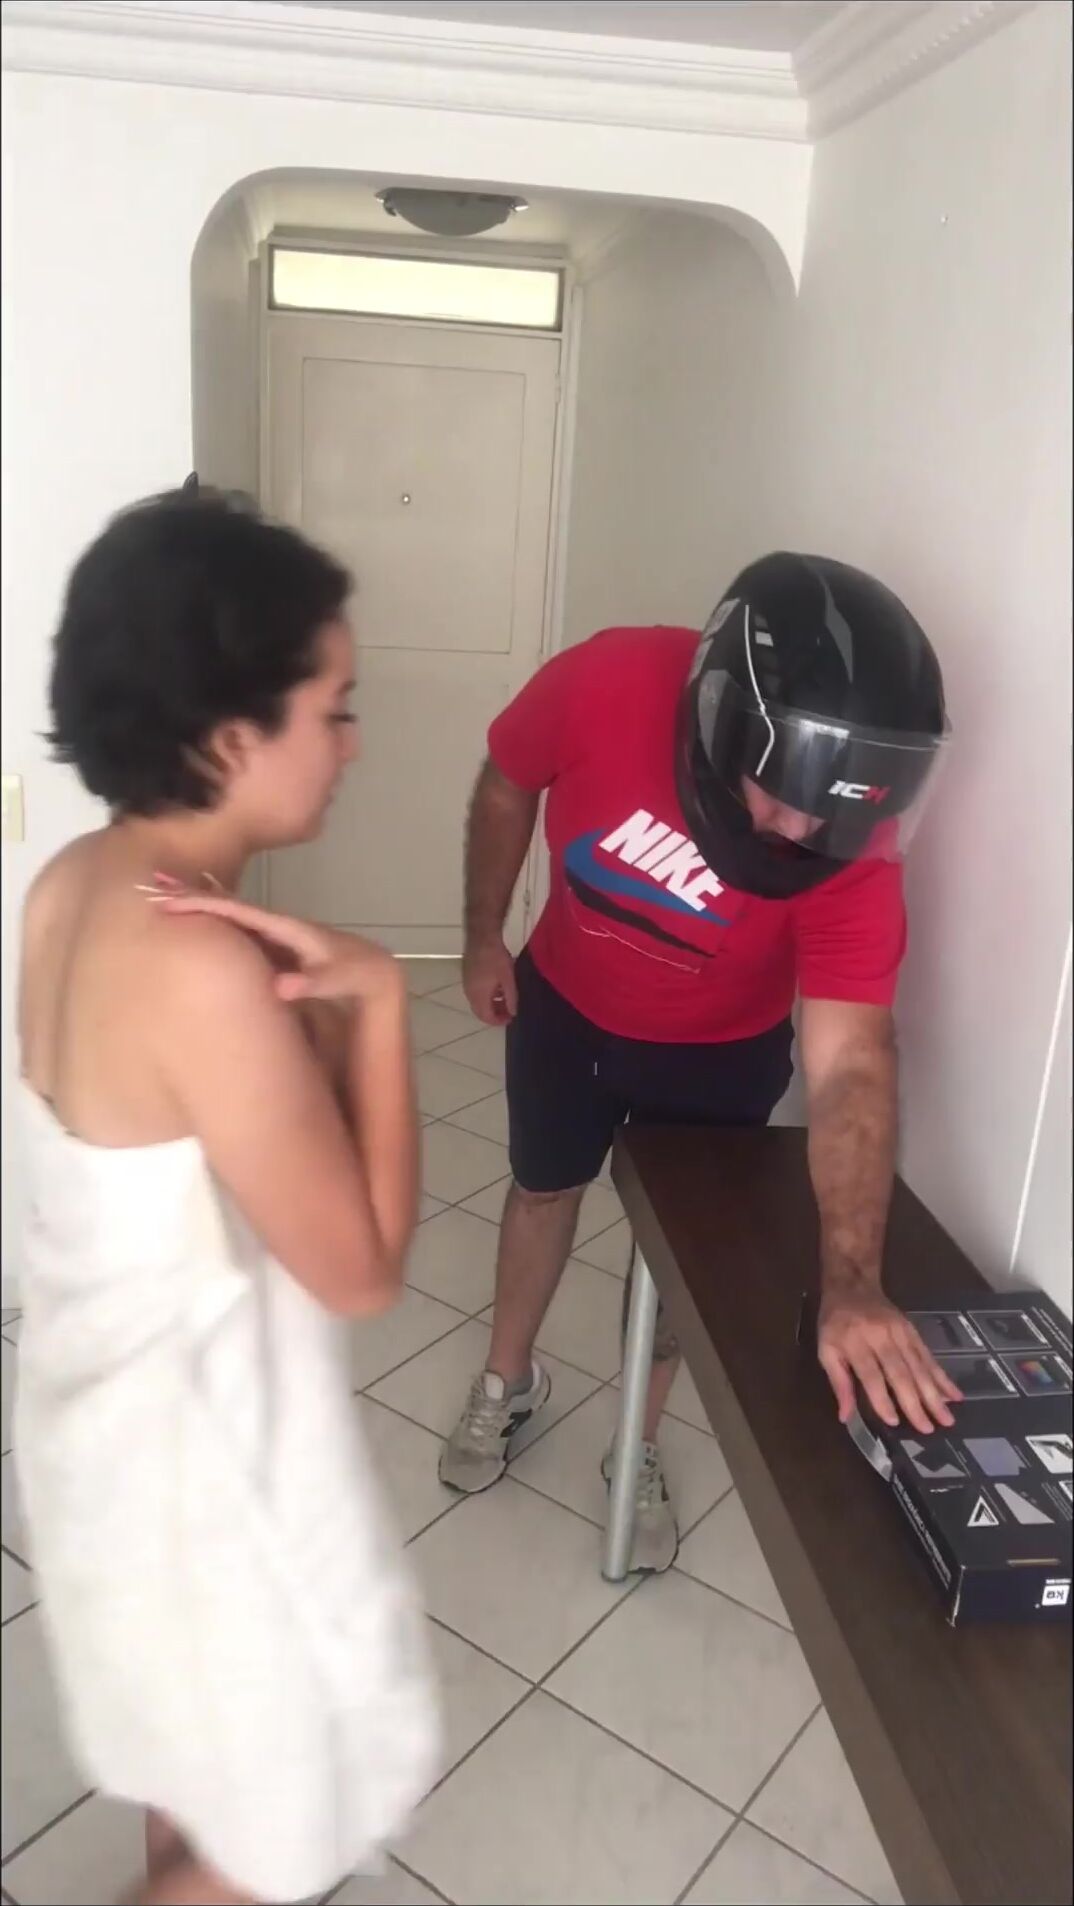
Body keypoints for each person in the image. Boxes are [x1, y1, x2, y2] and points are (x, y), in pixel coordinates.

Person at [15, 489, 438, 1905]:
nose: (353, 743)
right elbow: (362, 1269)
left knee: (189, 1788)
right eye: (335, 708)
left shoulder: (69, 884)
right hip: (195, 1490)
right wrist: (379, 1005)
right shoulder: (201, 964)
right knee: (267, 1842)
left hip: (101, 1433)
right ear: (230, 735)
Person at [440, 551, 960, 1573]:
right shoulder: (607, 682)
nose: (800, 830)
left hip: (721, 1057)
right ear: (725, 723)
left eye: (828, 810)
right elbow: (506, 783)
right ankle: (508, 1381)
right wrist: (481, 934)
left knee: (673, 1259)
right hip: (566, 1011)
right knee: (542, 1190)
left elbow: (852, 1067)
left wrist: (853, 1281)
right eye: (780, 795)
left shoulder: (854, 849)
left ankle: (635, 1442)